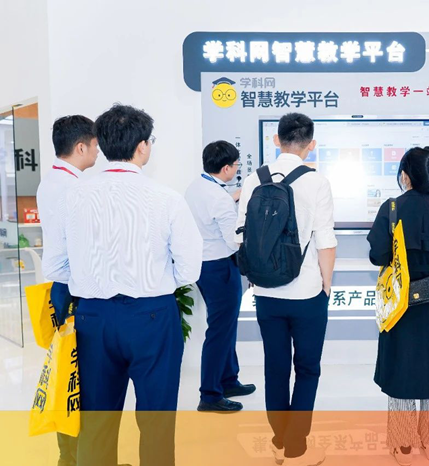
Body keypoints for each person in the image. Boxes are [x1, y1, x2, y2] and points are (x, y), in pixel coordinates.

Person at [44, 104, 203, 466]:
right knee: (157, 420)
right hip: (152, 317)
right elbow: (189, 270)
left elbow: (55, 265)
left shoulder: (72, 196)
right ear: (143, 146)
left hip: (93, 319)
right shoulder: (167, 198)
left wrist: (90, 276)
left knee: (96, 421)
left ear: (102, 144)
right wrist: (155, 280)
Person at [235, 113, 337, 466]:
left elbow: (241, 236)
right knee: (307, 368)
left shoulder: (254, 179)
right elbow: (326, 241)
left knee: (275, 367)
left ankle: (280, 442)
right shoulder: (317, 182)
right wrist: (326, 284)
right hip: (307, 292)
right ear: (312, 145)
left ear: (276, 140)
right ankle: (296, 448)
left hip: (266, 293)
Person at [367, 147, 429, 465]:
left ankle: (403, 445)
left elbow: (378, 255)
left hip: (400, 298)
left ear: (405, 175)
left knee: (401, 366)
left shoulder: (391, 207)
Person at [36, 115, 99, 466]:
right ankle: (78, 456)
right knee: (80, 379)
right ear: (80, 147)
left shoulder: (52, 181)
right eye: (95, 145)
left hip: (62, 289)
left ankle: (72, 456)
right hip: (72, 289)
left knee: (68, 376)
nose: (98, 151)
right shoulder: (74, 189)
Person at [185, 140, 255, 413]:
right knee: (220, 330)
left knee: (224, 325)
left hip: (204, 265)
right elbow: (233, 240)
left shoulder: (197, 187)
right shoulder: (219, 199)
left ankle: (228, 380)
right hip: (221, 267)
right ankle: (210, 394)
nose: (236, 169)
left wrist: (233, 198)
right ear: (226, 168)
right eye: (236, 165)